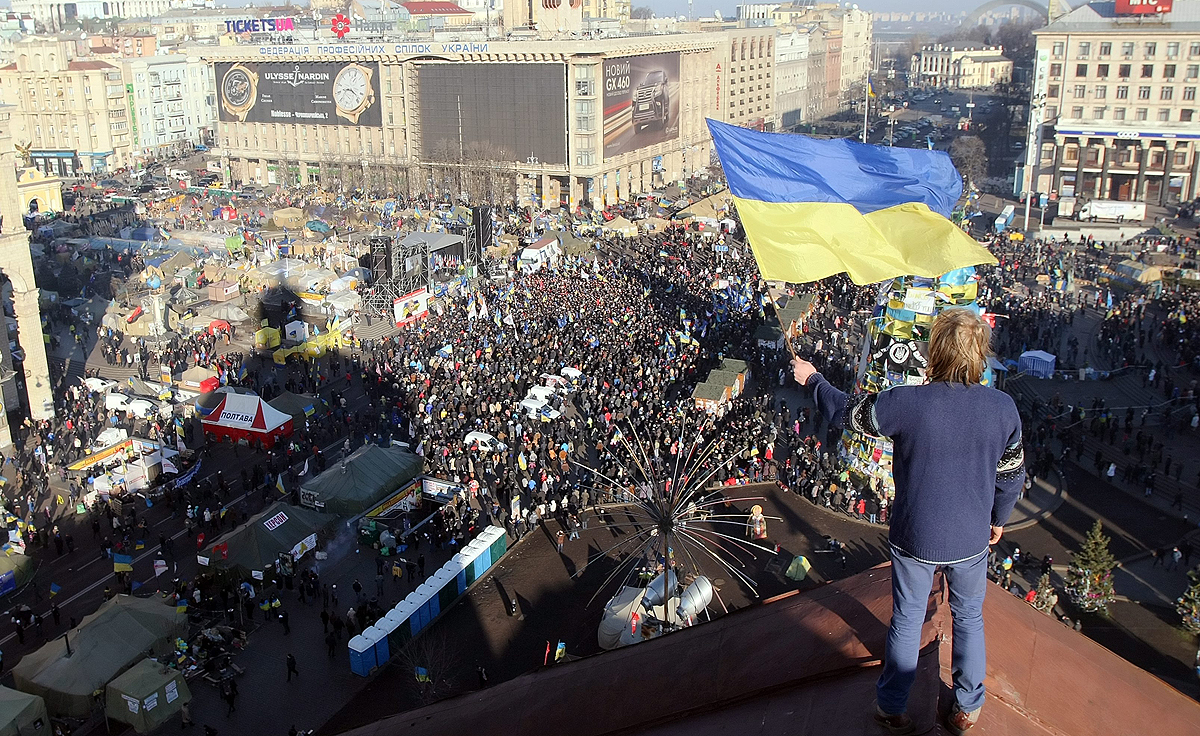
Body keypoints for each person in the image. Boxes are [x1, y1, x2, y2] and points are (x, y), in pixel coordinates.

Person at [793, 309, 1024, 735]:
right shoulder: (1003, 409)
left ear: (934, 350)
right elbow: (1010, 477)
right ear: (980, 355)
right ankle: (967, 708)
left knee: (908, 617)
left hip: (916, 533)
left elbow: (847, 415)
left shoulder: (906, 402)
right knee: (969, 616)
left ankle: (892, 706)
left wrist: (813, 379)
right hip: (972, 537)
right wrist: (998, 520)